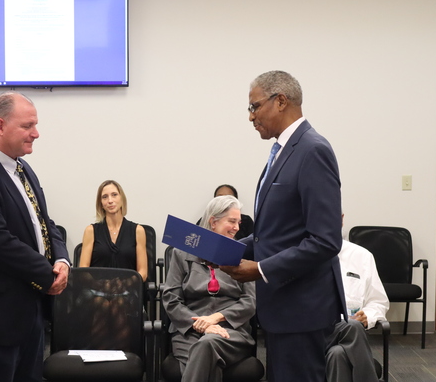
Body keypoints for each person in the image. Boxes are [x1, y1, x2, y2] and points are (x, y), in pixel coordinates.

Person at [220, 70, 346, 382]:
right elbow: (274, 233)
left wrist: (260, 270)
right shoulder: (282, 151)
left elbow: (325, 240)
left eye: (254, 106)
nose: (250, 117)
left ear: (280, 101)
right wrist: (228, 248)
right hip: (282, 308)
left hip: (302, 308)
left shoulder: (312, 150)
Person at [0, 91, 70, 382]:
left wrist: (62, 260)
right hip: (1, 315)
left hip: (32, 310)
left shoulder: (23, 168)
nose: (36, 134)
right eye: (27, 126)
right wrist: (48, 274)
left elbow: (45, 223)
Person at [162, 195, 256, 382]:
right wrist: (201, 325)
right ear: (213, 221)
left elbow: (250, 302)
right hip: (189, 332)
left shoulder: (240, 255)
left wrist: (216, 319)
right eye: (232, 221)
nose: (237, 227)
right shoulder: (181, 253)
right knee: (206, 354)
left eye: (238, 222)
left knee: (207, 346)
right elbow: (171, 298)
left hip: (231, 333)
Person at [325, 216, 389, 382]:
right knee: (352, 326)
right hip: (312, 334)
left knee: (337, 354)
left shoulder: (362, 256)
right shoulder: (300, 256)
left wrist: (368, 315)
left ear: (341, 219)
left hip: (349, 341)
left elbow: (378, 301)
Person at [79, 180, 147, 281]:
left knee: (121, 298)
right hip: (97, 290)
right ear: (101, 203)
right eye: (105, 197)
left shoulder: (138, 231)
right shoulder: (91, 231)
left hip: (128, 289)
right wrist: (99, 286)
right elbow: (83, 270)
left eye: (114, 195)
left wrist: (126, 285)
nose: (110, 200)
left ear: (122, 199)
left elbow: (143, 272)